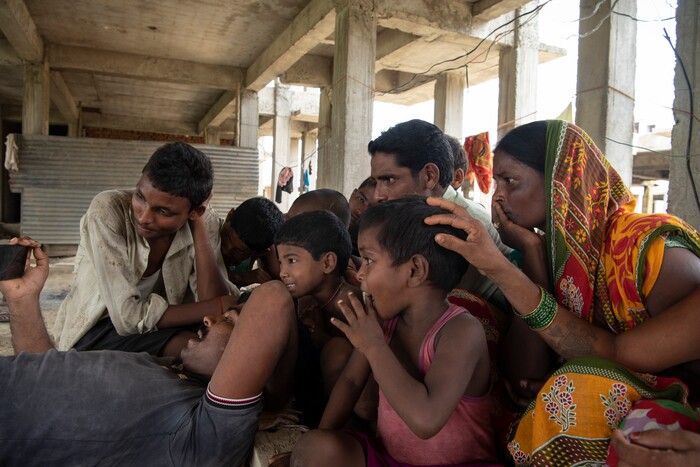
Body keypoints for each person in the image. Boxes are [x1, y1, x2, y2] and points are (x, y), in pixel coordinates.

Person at [424, 119, 700, 466]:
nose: (497, 197)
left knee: (577, 389)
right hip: (612, 378)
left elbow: (618, 354)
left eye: (510, 181)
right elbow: (523, 374)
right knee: (471, 314)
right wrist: (534, 258)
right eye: (496, 182)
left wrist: (501, 269)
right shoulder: (556, 252)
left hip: (675, 400)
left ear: (561, 183)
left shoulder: (648, 251)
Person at [1, 237, 297, 467]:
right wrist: (22, 299)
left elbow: (273, 297)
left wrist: (275, 389)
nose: (208, 319)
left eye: (229, 320)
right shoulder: (162, 366)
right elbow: (44, 376)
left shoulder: (204, 432)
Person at [290, 196, 498, 466]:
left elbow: (426, 420)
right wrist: (320, 440)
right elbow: (351, 382)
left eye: (369, 260)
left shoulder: (461, 331)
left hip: (460, 464)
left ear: (415, 270)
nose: (361, 273)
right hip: (391, 459)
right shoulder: (382, 320)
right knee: (315, 448)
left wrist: (374, 346)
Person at [53, 142, 238, 358]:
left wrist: (198, 225)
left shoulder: (204, 220)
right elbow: (126, 319)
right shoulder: (107, 211)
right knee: (208, 355)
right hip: (100, 329)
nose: (144, 217)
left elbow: (212, 305)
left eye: (163, 211)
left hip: (161, 329)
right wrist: (218, 304)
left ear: (196, 210)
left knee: (221, 347)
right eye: (140, 196)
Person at [367, 119, 511, 306]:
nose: (377, 195)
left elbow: (433, 305)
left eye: (389, 180)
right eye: (375, 182)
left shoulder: (465, 223)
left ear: (429, 176)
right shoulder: (423, 216)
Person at [275, 210, 364, 426]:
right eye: (281, 263)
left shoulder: (351, 305)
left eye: (292, 260)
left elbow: (358, 366)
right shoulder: (310, 299)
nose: (282, 273)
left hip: (357, 411)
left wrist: (322, 338)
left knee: (336, 350)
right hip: (323, 398)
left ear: (327, 263)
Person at [219, 196, 285, 287]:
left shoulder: (258, 248)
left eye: (239, 251)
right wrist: (238, 278)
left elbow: (280, 280)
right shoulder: (210, 232)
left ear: (259, 253)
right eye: (226, 236)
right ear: (229, 215)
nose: (226, 250)